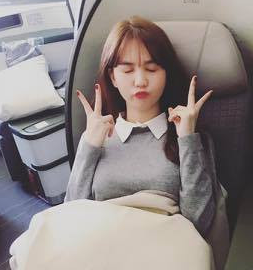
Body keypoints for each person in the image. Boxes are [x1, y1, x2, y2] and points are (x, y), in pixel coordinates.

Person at [65, 16, 216, 237]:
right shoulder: (97, 137)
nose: (140, 81)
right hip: (102, 244)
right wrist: (89, 145)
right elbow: (71, 215)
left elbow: (199, 223)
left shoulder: (189, 137)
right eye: (127, 71)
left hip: (165, 247)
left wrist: (187, 139)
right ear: (113, 77)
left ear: (166, 74)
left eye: (152, 69)